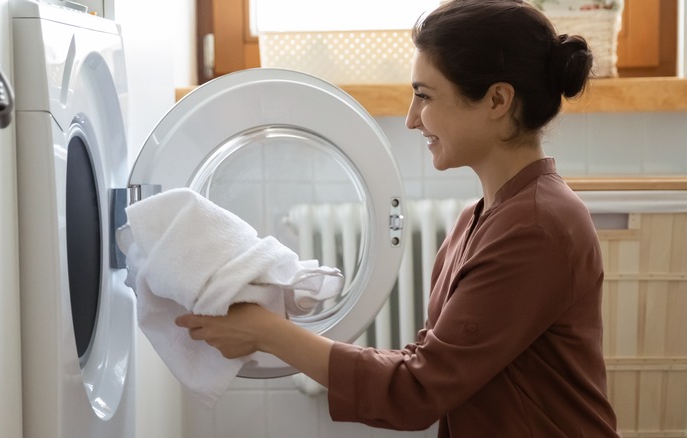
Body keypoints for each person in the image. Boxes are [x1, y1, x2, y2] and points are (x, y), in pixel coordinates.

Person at [176, 0, 620, 435]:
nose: (411, 119)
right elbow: (428, 366)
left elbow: (415, 391)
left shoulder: (537, 228)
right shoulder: (480, 218)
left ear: (497, 100)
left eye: (424, 96)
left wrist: (268, 333)